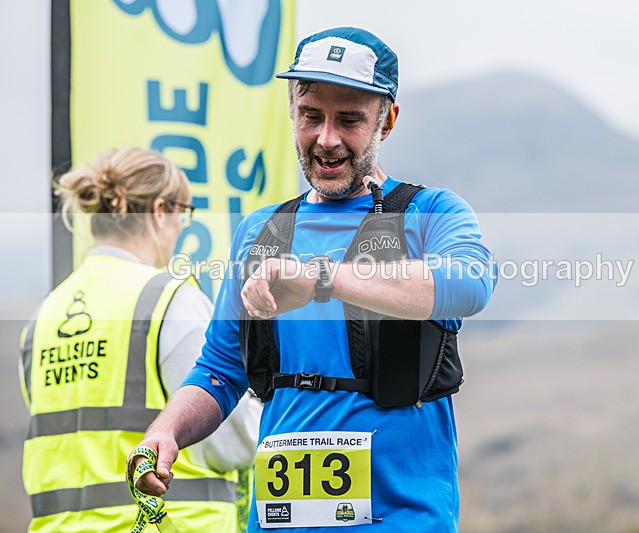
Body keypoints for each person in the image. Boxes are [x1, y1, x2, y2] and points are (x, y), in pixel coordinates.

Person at [132, 27, 496, 532]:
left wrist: (320, 278)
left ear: (386, 120)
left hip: (403, 521)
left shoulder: (431, 212)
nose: (326, 139)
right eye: (310, 116)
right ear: (292, 112)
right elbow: (220, 370)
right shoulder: (259, 232)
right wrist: (166, 431)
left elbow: (470, 283)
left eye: (348, 120)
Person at [19, 147, 260, 532]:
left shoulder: (43, 314)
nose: (183, 226)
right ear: (162, 210)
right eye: (185, 212)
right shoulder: (169, 298)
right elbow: (230, 442)